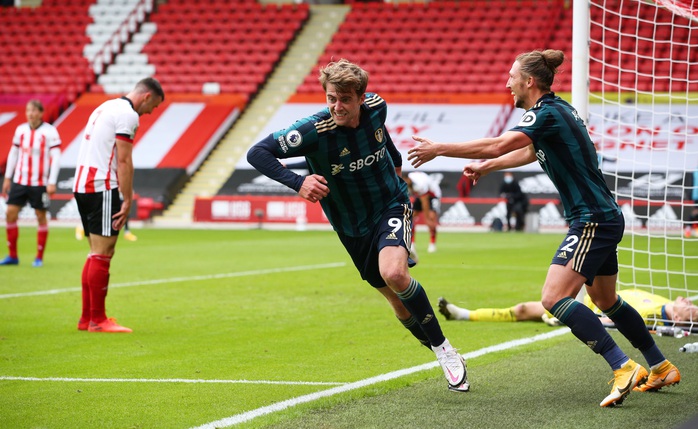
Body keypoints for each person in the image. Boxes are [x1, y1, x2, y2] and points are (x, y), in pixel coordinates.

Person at [407, 49, 679, 406]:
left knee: (554, 298)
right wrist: (488, 167)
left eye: (511, 76)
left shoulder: (545, 112)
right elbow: (528, 152)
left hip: (591, 219)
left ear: (529, 81)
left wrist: (441, 148)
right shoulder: (559, 110)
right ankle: (660, 366)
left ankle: (622, 366)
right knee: (605, 299)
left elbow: (499, 142)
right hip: (604, 215)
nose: (507, 83)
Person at [246, 59, 469, 392]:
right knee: (395, 300)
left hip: (391, 203)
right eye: (331, 98)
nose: (337, 106)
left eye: (345, 99)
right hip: (350, 225)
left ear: (361, 98)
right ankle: (436, 347)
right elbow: (257, 152)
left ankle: (444, 351)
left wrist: (397, 172)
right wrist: (298, 182)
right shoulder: (311, 130)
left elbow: (386, 143)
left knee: (395, 274)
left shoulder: (378, 107)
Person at [73, 77, 164, 333]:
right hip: (102, 185)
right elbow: (124, 161)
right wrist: (128, 198)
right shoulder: (128, 115)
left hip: (83, 183)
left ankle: (86, 318)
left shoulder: (106, 106)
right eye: (153, 106)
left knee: (94, 253)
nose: (150, 112)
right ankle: (97, 320)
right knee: (104, 253)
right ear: (146, 96)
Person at [438, 289, 698, 329]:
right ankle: (460, 313)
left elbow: (610, 321)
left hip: (576, 304)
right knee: (522, 309)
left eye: (691, 311)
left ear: (676, 318)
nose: (689, 303)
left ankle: (460, 314)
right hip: (585, 293)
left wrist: (570, 318)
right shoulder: (663, 301)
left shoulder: (652, 316)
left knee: (519, 310)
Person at [1, 99, 61, 267]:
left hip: (39, 183)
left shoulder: (50, 132)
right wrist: (7, 177)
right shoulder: (20, 130)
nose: (30, 114)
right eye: (28, 110)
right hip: (20, 180)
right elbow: (13, 154)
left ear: (41, 113)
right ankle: (13, 256)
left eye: (34, 111)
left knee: (40, 216)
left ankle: (39, 257)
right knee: (10, 214)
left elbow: (56, 157)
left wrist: (52, 181)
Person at [402, 171, 441, 253]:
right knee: (410, 218)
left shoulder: (419, 184)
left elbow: (425, 201)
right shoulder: (405, 183)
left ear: (408, 179)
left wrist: (426, 218)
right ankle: (412, 243)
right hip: (420, 195)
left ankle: (432, 244)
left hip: (433, 195)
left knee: (431, 218)